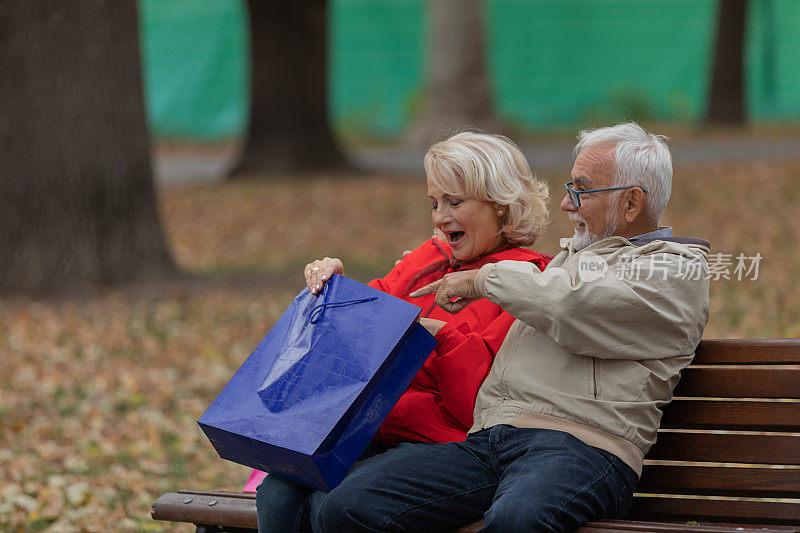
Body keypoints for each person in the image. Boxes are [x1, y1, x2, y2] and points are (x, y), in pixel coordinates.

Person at [313, 122, 711, 532]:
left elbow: (572, 306)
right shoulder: (567, 262)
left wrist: (483, 279)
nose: (566, 205)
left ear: (631, 204)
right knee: (348, 505)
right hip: (491, 440)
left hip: (583, 447)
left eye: (581, 190)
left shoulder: (676, 269)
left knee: (516, 521)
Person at [253, 131, 552, 532]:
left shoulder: (529, 279)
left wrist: (430, 334)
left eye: (455, 202)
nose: (440, 217)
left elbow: (473, 399)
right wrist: (337, 289)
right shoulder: (430, 258)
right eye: (434, 203)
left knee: (334, 504)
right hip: (375, 428)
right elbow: (368, 317)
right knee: (276, 492)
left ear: (500, 205)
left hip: (445, 445)